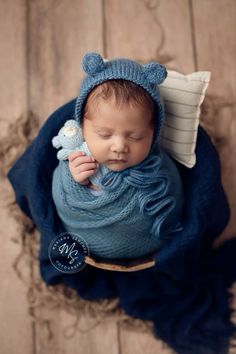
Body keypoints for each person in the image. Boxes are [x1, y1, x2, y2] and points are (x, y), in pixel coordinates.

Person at [51, 52, 184, 260]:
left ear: (154, 134)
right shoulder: (77, 157)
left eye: (136, 136)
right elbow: (62, 197)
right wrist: (75, 182)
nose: (120, 146)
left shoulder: (158, 170)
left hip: (144, 244)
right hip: (88, 238)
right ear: (82, 129)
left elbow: (171, 201)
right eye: (104, 134)